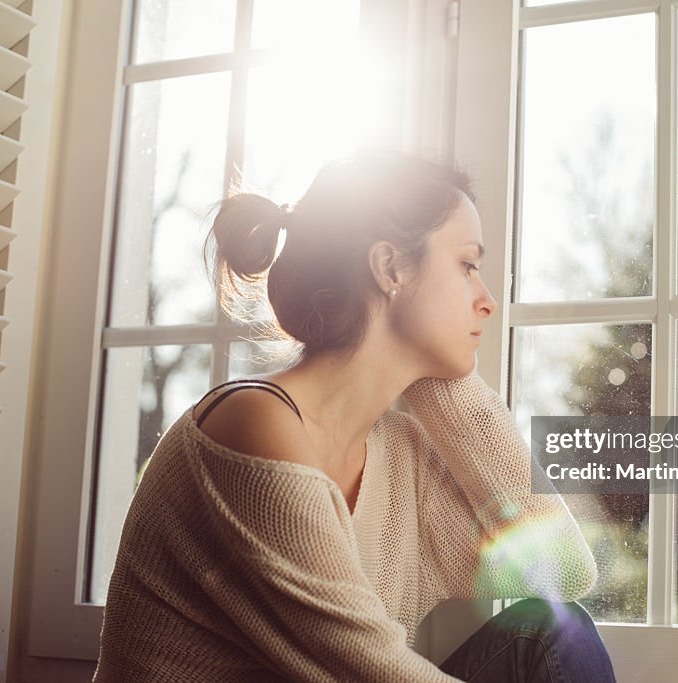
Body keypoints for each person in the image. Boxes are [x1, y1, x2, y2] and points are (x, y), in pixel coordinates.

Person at [93, 151, 617, 682]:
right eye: (467, 266)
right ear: (390, 267)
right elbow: (372, 673)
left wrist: (444, 382)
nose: (487, 300)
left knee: (549, 630)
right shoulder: (253, 424)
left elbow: (563, 571)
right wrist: (428, 349)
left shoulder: (400, 450)